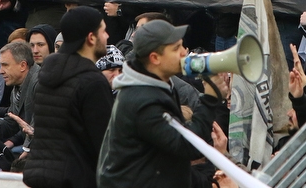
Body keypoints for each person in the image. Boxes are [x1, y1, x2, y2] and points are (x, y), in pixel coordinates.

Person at [97, 19, 228, 187]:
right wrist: (210, 99)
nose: (184, 53)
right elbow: (187, 147)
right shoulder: (143, 101)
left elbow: (172, 162)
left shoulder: (155, 88)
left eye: (182, 46)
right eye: (176, 48)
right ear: (155, 58)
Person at [23, 6, 113, 187]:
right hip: (77, 179)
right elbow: (105, 145)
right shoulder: (92, 82)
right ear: (91, 38)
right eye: (103, 31)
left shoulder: (47, 76)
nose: (107, 36)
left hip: (43, 176)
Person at [0, 41, 39, 144]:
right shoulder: (16, 87)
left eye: (5, 65)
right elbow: (11, 123)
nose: (0, 71)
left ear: (23, 66)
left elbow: (39, 128)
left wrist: (25, 150)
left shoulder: (40, 84)